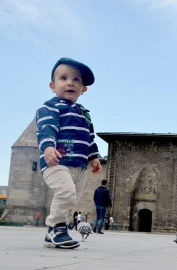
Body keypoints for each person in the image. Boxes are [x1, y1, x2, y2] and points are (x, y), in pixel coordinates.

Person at [36, 58, 101, 249]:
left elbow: (89, 137)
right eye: (63, 78)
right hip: (58, 163)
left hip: (79, 167)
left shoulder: (84, 113)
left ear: (84, 89)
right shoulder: (50, 107)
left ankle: (52, 235)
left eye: (76, 80)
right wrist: (48, 147)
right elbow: (46, 128)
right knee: (65, 192)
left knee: (71, 199)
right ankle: (57, 228)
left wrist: (93, 157)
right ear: (52, 85)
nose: (70, 82)